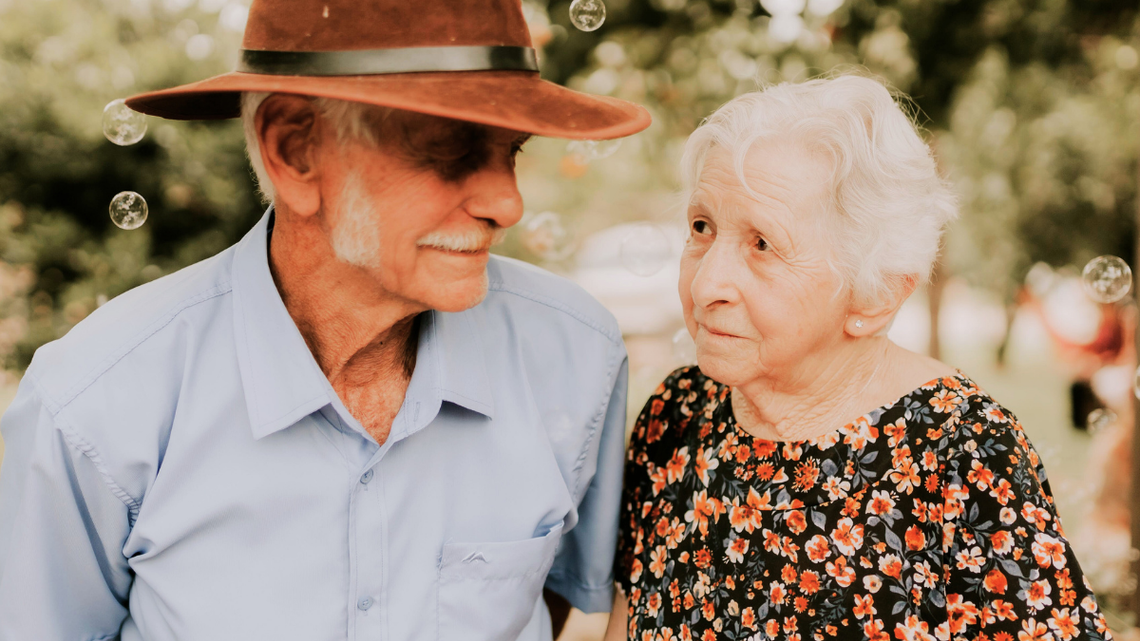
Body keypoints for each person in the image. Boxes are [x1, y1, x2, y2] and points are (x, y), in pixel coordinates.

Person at [0, 0, 650, 639]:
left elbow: (551, 602)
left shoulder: (576, 355)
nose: (508, 203)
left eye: (513, 149)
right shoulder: (94, 401)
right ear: (295, 151)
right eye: (450, 151)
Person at [606, 75, 1114, 641]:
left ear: (876, 295)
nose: (705, 285)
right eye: (702, 227)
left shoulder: (964, 452)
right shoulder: (678, 411)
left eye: (762, 244)